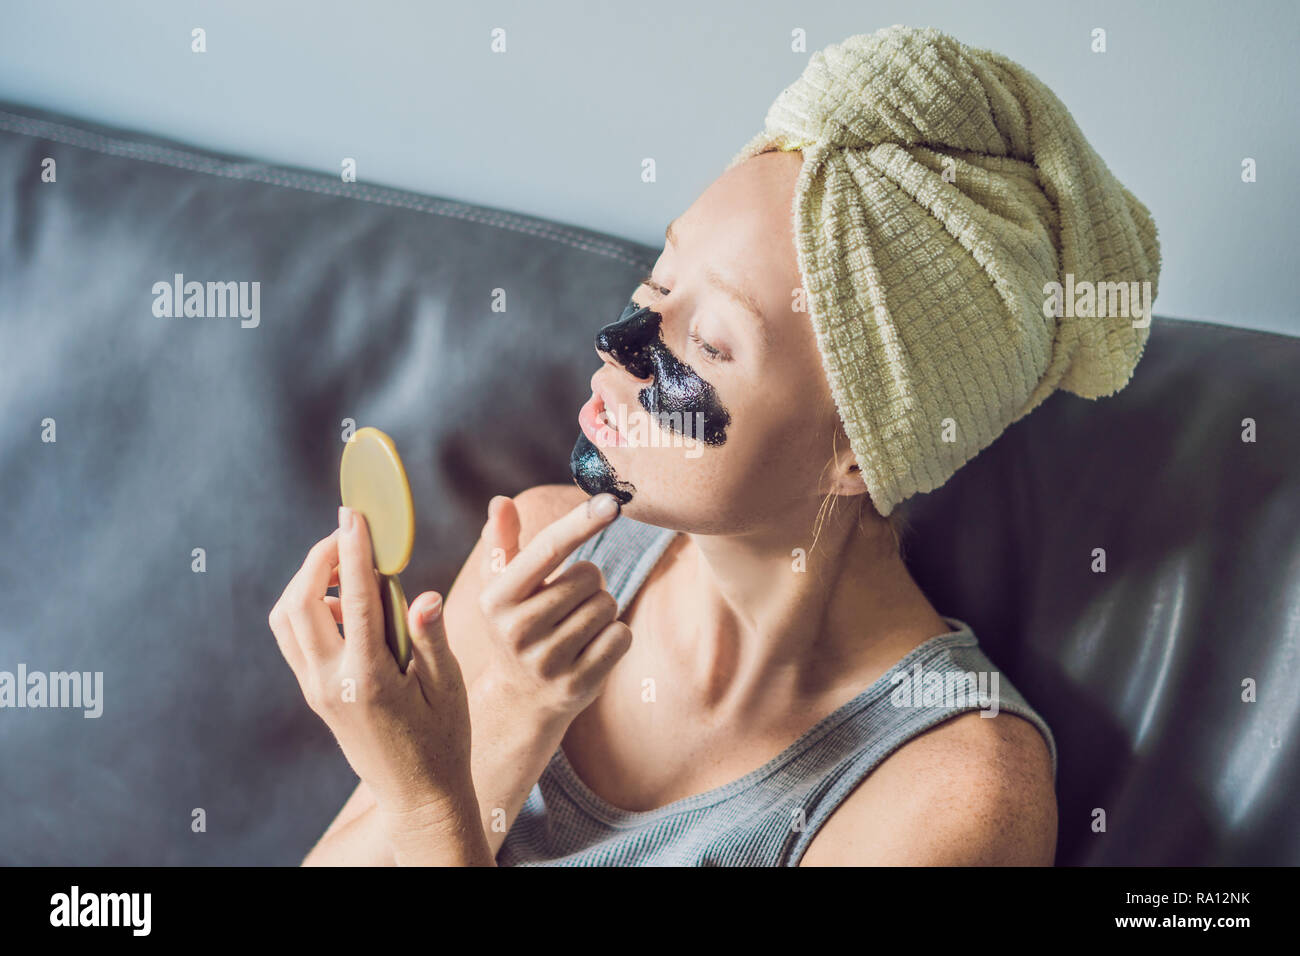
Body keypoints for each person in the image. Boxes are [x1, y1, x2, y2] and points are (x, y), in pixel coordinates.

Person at [274, 24, 1159, 866]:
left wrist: (433, 802)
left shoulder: (952, 794)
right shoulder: (536, 574)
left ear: (860, 455)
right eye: (659, 278)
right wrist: (504, 727)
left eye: (710, 344)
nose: (619, 341)